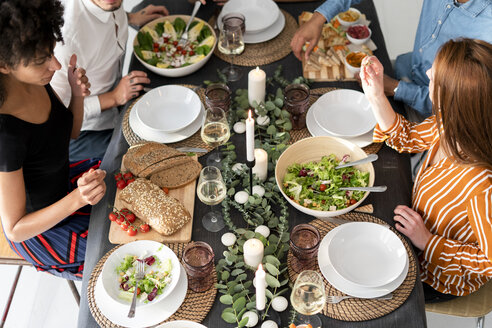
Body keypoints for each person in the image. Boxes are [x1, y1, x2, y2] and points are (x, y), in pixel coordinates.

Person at [360, 38, 492, 301]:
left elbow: (488, 263)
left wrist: (428, 241)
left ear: (452, 99)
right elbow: (407, 137)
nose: (429, 73)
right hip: (413, 230)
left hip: (432, 274)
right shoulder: (449, 125)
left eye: (435, 75)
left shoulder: (482, 184)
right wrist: (375, 94)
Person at [0, 0, 106, 280]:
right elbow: (15, 228)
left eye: (51, 53)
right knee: (126, 254)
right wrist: (77, 199)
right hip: (46, 228)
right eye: (41, 60)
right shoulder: (5, 135)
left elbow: (68, 134)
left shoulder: (37, 82)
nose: (56, 65)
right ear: (3, 65)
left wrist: (77, 94)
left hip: (68, 188)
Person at [291, 0, 492, 118]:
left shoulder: (487, 29)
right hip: (405, 70)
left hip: (434, 117)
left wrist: (395, 88)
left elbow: (460, 106)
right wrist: (319, 17)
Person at [50, 0, 169, 161]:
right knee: (156, 151)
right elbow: (58, 120)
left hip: (117, 103)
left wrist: (130, 17)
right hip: (85, 134)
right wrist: (113, 97)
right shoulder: (65, 42)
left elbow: (104, 17)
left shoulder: (108, 4)